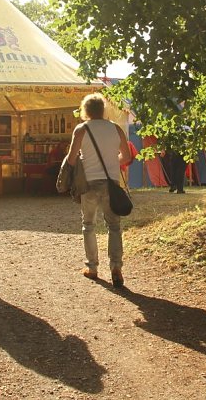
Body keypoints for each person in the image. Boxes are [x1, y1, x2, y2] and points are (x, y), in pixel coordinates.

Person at [66, 93, 131, 288]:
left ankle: (92, 267)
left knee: (88, 224)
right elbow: (126, 157)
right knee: (114, 226)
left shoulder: (81, 129)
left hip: (89, 183)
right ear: (103, 109)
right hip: (111, 183)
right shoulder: (116, 128)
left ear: (85, 110)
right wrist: (111, 162)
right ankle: (116, 267)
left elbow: (71, 159)